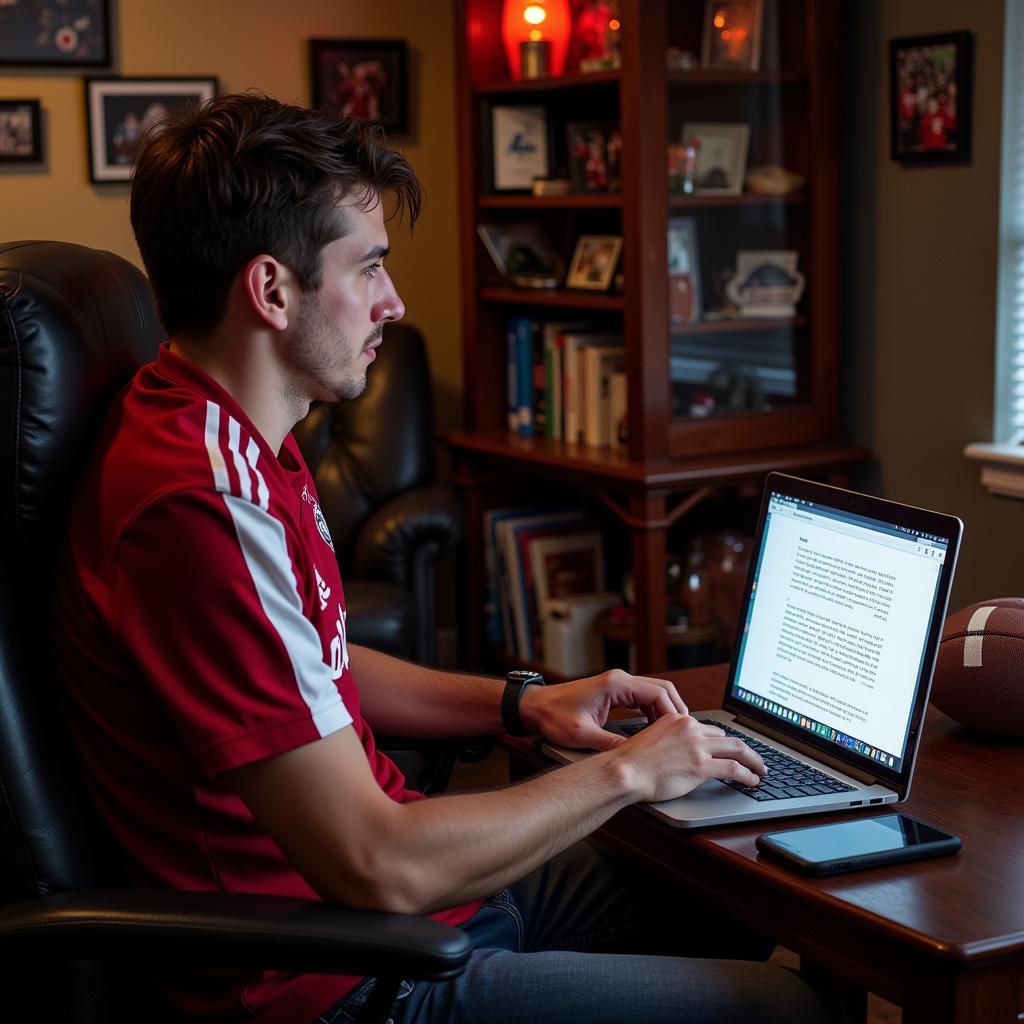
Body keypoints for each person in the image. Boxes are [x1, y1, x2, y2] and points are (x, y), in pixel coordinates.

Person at [53, 93, 839, 1024]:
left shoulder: (234, 427)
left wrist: (522, 699)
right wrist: (623, 773)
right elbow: (374, 861)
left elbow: (319, 667)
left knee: (727, 887)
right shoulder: (199, 503)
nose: (395, 302)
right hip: (328, 978)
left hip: (414, 910)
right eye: (371, 268)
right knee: (788, 1010)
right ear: (270, 290)